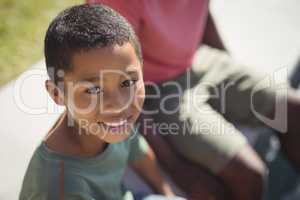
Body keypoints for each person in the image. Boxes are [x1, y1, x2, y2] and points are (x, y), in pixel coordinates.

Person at [86, 1, 300, 200]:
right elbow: (113, 86)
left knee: (293, 110)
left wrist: (231, 75)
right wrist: (174, 165)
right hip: (152, 88)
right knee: (249, 175)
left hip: (198, 60)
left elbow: (201, 15)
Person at [19, 4, 186, 200]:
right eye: (93, 89)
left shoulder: (112, 122)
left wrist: (166, 193)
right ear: (57, 94)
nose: (118, 104)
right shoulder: (61, 189)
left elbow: (137, 150)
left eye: (127, 82)